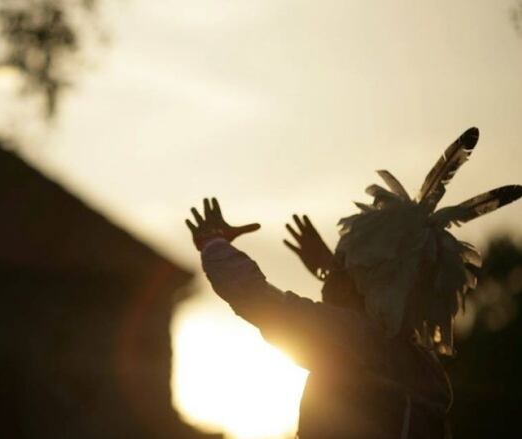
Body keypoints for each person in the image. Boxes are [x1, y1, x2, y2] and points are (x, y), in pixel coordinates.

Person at [185, 127, 521, 438]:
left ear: (370, 284)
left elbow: (257, 298)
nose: (336, 270)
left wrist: (213, 243)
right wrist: (332, 269)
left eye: (345, 266)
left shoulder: (350, 340)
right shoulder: (424, 369)